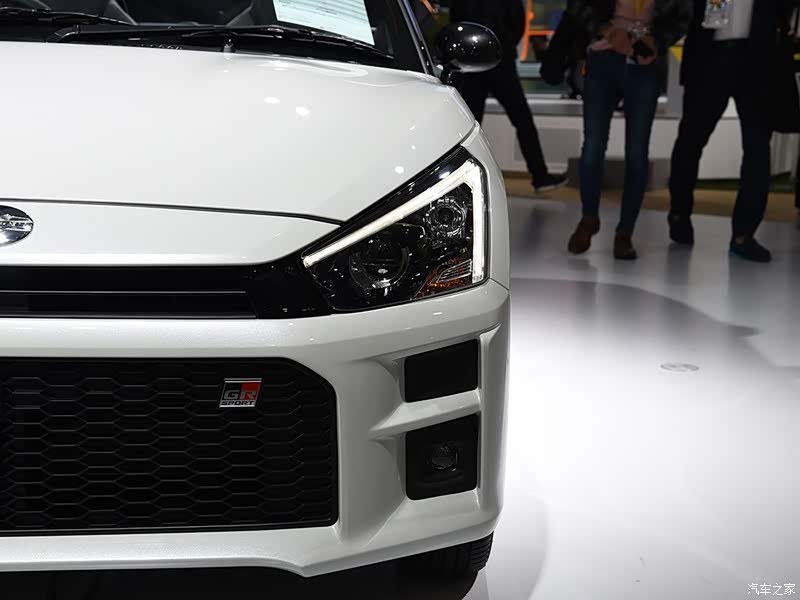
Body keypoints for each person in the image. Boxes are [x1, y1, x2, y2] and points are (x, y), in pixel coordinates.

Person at [668, 0, 798, 262]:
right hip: (710, 56)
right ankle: (679, 212)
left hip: (757, 59)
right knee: (691, 140)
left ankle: (744, 233)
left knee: (757, 148)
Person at [567, 0, 690, 259]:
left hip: (644, 62)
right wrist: (606, 29)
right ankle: (589, 217)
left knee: (637, 153)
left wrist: (657, 40)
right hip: (603, 56)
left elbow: (683, 15)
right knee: (593, 147)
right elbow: (578, 4)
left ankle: (625, 232)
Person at [450, 0, 568, 192]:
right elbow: (517, 23)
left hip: (473, 61)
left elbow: (457, 22)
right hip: (501, 59)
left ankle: (459, 181)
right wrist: (504, 43)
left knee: (470, 125)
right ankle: (539, 175)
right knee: (522, 120)